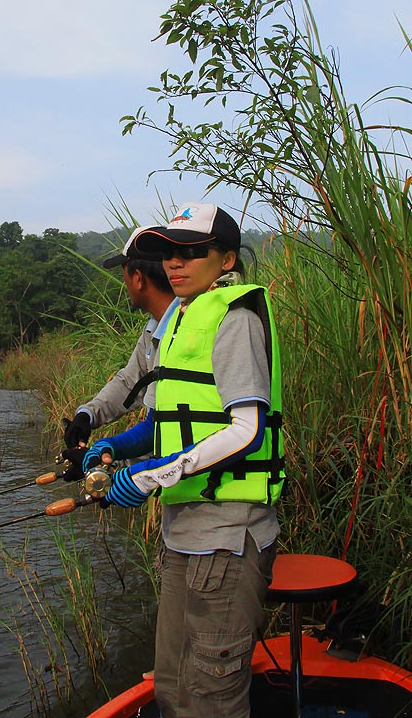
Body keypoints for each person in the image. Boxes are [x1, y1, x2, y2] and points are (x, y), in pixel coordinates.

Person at [81, 202, 285, 718]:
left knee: (213, 695)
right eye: (171, 252)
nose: (175, 263)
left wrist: (153, 476)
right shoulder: (179, 318)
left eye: (192, 252)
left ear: (225, 260)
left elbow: (245, 429)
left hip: (227, 537)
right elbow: (162, 417)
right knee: (172, 684)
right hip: (182, 533)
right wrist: (111, 445)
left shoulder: (235, 320)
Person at [62, 226, 178, 460]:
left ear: (137, 278)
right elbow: (130, 382)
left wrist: (104, 461)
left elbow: (161, 428)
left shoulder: (181, 332)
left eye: (123, 273)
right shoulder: (154, 327)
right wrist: (88, 415)